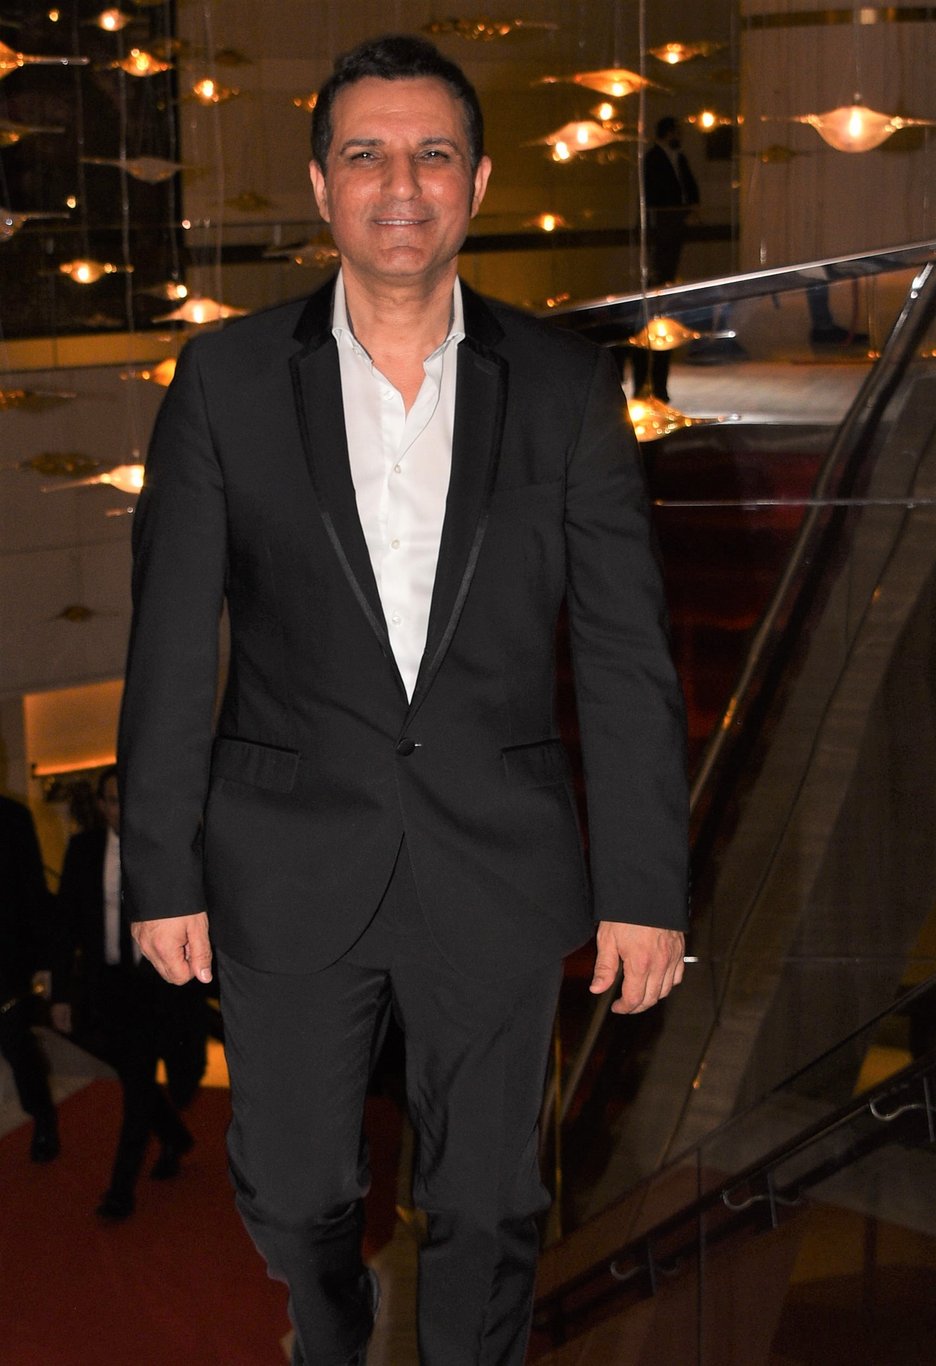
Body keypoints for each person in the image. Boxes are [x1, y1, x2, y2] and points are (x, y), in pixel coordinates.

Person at [118, 33, 689, 1366]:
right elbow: (170, 645)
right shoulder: (225, 380)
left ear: (477, 183)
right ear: (322, 185)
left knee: (490, 1203)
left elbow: (625, 650)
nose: (401, 183)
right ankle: (331, 1332)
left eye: (432, 153)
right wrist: (161, 869)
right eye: (366, 153)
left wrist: (646, 885)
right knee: (293, 1189)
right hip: (285, 854)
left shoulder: (564, 385)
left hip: (495, 851)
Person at [52, 767, 201, 1220]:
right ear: (102, 805)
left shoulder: (166, 848)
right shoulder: (83, 851)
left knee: (137, 1088)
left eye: (127, 799)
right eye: (113, 801)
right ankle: (175, 1138)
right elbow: (65, 928)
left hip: (158, 985)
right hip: (109, 988)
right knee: (135, 1078)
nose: (121, 809)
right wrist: (60, 994)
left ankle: (120, 1191)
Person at [0, 794, 59, 1163]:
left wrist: (42, 961)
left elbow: (32, 888)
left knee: (15, 1045)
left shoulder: (12, 817)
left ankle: (43, 1117)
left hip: (6, 958)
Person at [634, 114, 701, 402]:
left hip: (675, 222)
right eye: (677, 132)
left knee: (670, 270)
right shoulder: (653, 159)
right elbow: (653, 192)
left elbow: (688, 185)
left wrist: (691, 207)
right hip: (663, 223)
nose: (680, 136)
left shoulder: (678, 157)